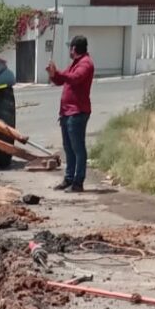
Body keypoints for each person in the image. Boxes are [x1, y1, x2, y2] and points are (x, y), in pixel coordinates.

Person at [47, 35, 95, 193]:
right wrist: (53, 74)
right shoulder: (75, 63)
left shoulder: (85, 64)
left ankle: (78, 182)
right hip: (67, 113)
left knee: (78, 148)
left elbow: (75, 79)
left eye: (70, 47)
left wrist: (59, 73)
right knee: (68, 147)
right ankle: (69, 178)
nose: (69, 50)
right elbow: (61, 80)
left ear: (74, 48)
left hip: (77, 112)